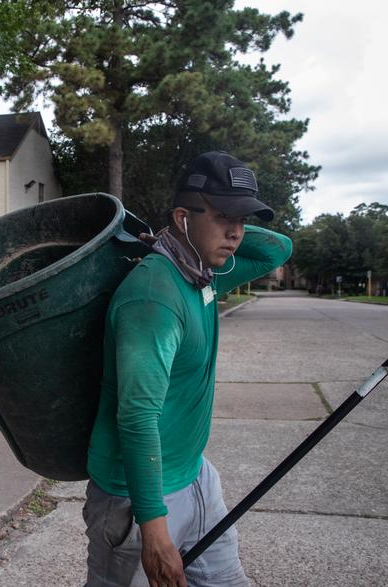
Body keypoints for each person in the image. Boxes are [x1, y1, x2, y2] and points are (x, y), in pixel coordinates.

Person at [84, 151, 293, 587]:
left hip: (196, 476)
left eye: (242, 219)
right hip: (137, 499)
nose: (235, 233)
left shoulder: (201, 277)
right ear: (182, 217)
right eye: (223, 218)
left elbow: (276, 251)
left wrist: (216, 223)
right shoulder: (155, 296)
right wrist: (154, 529)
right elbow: (137, 416)